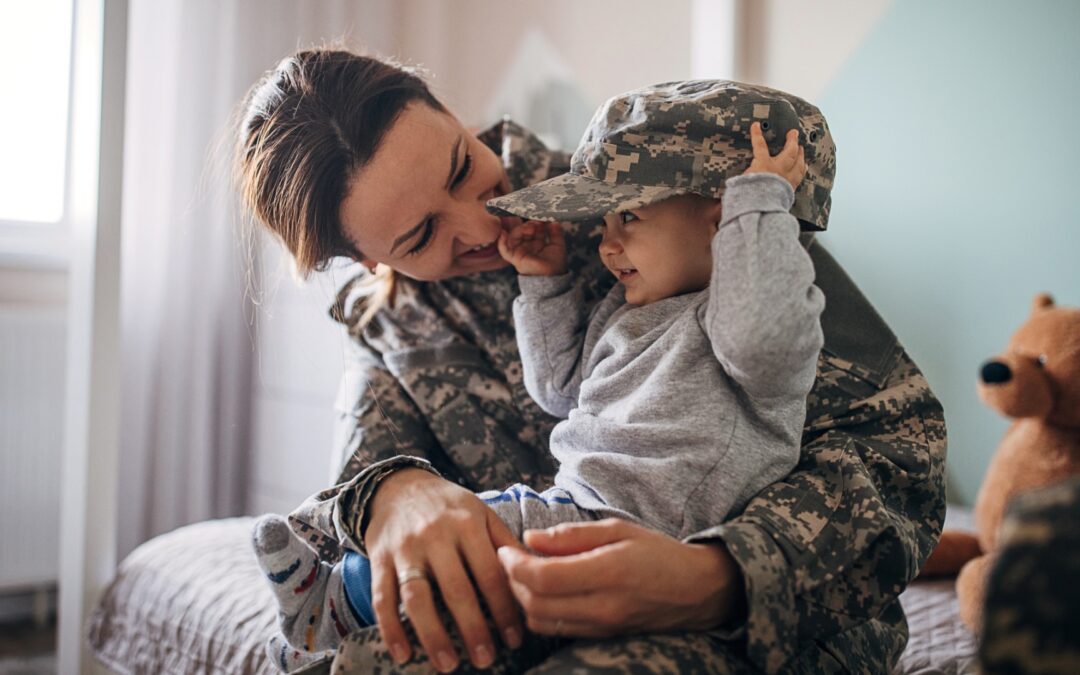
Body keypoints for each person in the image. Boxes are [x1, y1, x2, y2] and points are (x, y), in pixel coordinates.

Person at [236, 48, 946, 674]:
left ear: (449, 110)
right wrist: (393, 494)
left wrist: (718, 575)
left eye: (462, 166)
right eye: (422, 234)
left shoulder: (652, 185)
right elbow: (339, 509)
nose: (482, 223)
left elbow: (898, 449)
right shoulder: (385, 320)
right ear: (367, 258)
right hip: (530, 594)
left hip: (764, 624)